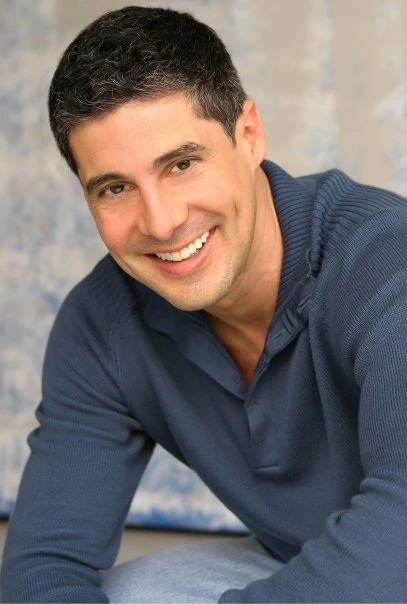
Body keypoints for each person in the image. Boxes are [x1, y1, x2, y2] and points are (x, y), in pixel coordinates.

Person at [2, 4, 407, 603]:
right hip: (310, 559)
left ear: (249, 136)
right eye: (115, 188)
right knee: (136, 592)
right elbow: (47, 563)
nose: (161, 223)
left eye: (182, 164)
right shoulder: (103, 323)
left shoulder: (386, 265)